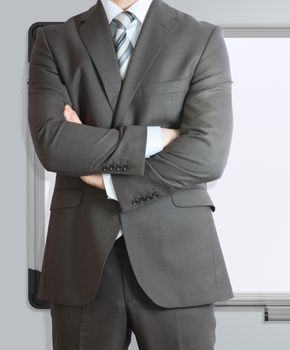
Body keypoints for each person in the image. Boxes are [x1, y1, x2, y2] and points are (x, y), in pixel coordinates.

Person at [27, 0, 234, 348]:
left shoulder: (200, 37)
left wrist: (111, 181)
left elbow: (208, 154)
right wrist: (158, 137)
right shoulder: (54, 40)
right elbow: (54, 144)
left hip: (178, 255)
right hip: (81, 253)